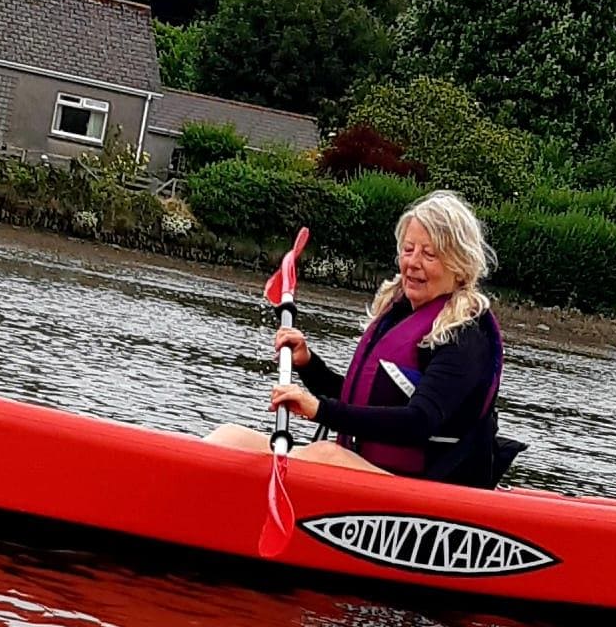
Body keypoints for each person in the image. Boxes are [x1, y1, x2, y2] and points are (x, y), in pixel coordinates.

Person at [205, 189, 511, 487]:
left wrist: (320, 410)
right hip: (374, 472)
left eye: (429, 254)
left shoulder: (466, 337)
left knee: (324, 454)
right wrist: (309, 364)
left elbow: (418, 422)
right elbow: (361, 400)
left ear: (459, 266)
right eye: (408, 250)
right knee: (232, 437)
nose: (413, 262)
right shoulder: (401, 314)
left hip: (431, 490)